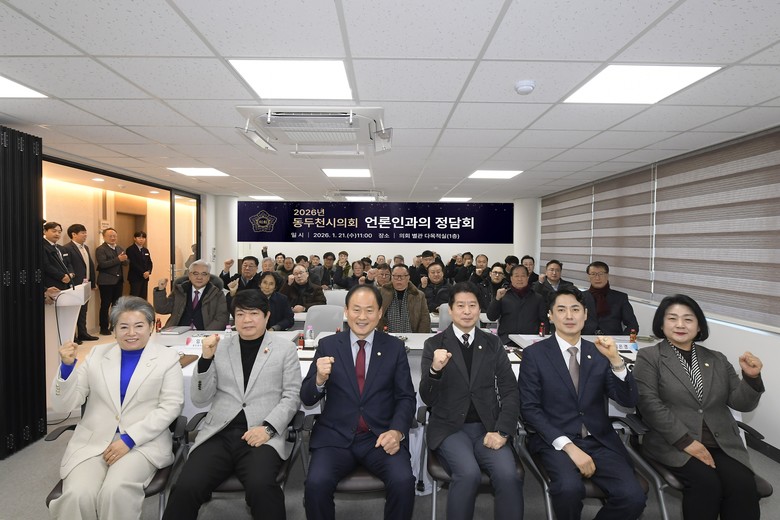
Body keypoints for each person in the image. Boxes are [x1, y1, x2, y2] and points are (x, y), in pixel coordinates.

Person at [163, 290, 301, 520]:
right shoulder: (221, 347)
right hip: (219, 433)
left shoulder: (284, 349)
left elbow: (292, 396)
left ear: (267, 316)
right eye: (240, 314)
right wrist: (205, 360)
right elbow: (200, 398)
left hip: (261, 434)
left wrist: (268, 429)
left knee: (262, 487)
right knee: (186, 486)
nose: (247, 320)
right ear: (233, 318)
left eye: (254, 314)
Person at [49, 296, 183, 520]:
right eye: (123, 327)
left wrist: (130, 439)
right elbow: (65, 404)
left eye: (139, 326)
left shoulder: (167, 358)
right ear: (113, 329)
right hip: (94, 441)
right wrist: (66, 367)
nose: (131, 333)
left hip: (142, 443)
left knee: (115, 491)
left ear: (151, 327)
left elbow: (170, 407)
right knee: (78, 494)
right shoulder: (97, 355)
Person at [518, 286, 646, 520]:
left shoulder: (599, 352)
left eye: (575, 309)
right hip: (555, 441)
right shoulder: (534, 355)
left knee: (633, 496)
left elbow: (628, 400)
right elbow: (529, 409)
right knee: (568, 490)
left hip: (599, 440)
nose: (569, 316)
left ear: (585, 314)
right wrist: (569, 446)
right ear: (550, 315)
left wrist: (616, 360)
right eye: (561, 310)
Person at [633, 294, 764, 520]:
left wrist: (751, 379)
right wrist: (685, 441)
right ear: (661, 325)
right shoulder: (649, 357)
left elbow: (740, 402)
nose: (680, 325)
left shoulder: (717, 359)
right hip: (673, 442)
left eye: (688, 319)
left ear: (699, 326)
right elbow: (649, 404)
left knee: (742, 485)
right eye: (672, 318)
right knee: (707, 485)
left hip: (721, 442)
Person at [301, 285, 416, 520]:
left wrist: (397, 432)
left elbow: (405, 397)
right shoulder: (328, 345)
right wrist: (319, 379)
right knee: (316, 484)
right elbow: (307, 397)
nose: (362, 317)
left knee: (403, 481)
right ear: (346, 311)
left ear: (380, 313)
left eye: (369, 310)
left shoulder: (394, 348)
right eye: (356, 309)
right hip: (335, 437)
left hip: (380, 436)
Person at [421, 282, 523, 520]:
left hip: (488, 428)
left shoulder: (492, 343)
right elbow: (427, 398)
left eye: (472, 305)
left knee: (508, 475)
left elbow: (510, 390)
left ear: (479, 309)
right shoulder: (434, 344)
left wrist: (503, 431)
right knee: (468, 474)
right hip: (449, 429)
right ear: (450, 310)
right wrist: (435, 370)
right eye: (460, 306)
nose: (466, 311)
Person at [153, 259, 229, 331]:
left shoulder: (217, 294)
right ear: (189, 275)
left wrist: (206, 334)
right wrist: (161, 290)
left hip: (204, 334)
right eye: (195, 273)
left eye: (204, 274)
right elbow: (162, 309)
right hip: (178, 333)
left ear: (208, 277)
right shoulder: (180, 290)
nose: (199, 277)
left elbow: (222, 319)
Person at [486, 265, 547, 345]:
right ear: (511, 278)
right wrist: (497, 299)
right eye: (516, 276)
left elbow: (544, 322)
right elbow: (491, 317)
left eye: (523, 276)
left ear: (527, 278)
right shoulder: (503, 295)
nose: (520, 279)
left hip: (530, 342)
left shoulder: (537, 298)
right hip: (507, 340)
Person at [63, 223, 98, 343]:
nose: (85, 235)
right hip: (75, 285)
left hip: (85, 283)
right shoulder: (67, 248)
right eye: (83, 233)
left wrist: (92, 282)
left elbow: (89, 265)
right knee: (74, 311)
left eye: (85, 232)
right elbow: (68, 266)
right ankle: (73, 336)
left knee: (83, 310)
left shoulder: (85, 247)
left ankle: (83, 333)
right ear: (74, 234)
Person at [585, 261, 639, 335]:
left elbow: (633, 325)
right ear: (588, 276)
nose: (597, 278)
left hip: (613, 339)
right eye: (593, 274)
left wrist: (621, 339)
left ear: (607, 275)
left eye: (601, 274)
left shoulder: (620, 298)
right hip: (585, 338)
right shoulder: (580, 297)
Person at [378, 264, 432, 333]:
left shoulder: (418, 295)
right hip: (386, 334)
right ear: (391, 277)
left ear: (408, 277)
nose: (399, 279)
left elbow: (425, 318)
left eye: (402, 276)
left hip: (412, 335)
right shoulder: (381, 293)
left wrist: (420, 337)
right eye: (395, 276)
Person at [95, 228, 129, 335]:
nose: (113, 238)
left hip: (118, 280)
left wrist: (125, 259)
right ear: (104, 237)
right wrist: (118, 259)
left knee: (116, 305)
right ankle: (103, 327)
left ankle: (114, 325)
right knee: (105, 305)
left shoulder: (119, 248)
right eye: (110, 236)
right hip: (106, 281)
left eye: (114, 236)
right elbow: (102, 264)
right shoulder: (101, 249)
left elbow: (126, 263)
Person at [43, 221, 75, 290]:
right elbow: (46, 266)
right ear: (45, 231)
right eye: (54, 231)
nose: (57, 234)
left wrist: (71, 274)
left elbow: (68, 263)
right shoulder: (42, 246)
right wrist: (62, 276)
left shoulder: (61, 248)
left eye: (59, 232)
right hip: (51, 284)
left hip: (66, 284)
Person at [126, 231, 153, 299]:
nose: (141, 239)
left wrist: (148, 271)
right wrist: (143, 272)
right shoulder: (130, 249)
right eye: (139, 237)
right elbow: (133, 263)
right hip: (135, 277)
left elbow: (149, 262)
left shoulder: (145, 250)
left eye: (143, 238)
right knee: (134, 297)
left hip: (145, 277)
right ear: (134, 238)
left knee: (143, 298)